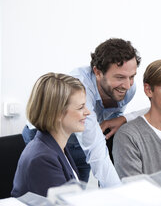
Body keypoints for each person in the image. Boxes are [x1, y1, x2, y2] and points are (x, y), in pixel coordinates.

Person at [22, 38, 141, 187]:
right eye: (120, 77)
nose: (128, 85)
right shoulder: (80, 87)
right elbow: (96, 150)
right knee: (54, 192)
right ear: (98, 72)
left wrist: (124, 119)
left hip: (77, 141)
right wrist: (120, 196)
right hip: (48, 135)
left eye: (132, 77)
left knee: (76, 191)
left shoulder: (127, 88)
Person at [12, 73, 90, 197]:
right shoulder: (42, 159)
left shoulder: (57, 147)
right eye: (81, 107)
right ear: (57, 113)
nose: (88, 112)